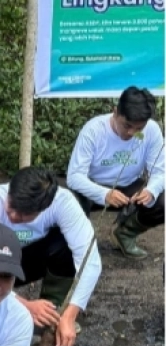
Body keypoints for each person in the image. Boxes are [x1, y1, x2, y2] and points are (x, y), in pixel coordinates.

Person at [0, 167, 102, 346]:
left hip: (28, 261)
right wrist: (25, 304)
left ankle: (51, 319)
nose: (14, 216)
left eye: (24, 214)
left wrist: (71, 314)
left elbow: (90, 261)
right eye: (12, 206)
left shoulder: (62, 202)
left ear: (44, 208)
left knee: (65, 246)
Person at [67, 86, 164, 259]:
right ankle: (79, 247)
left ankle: (125, 233)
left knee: (162, 200)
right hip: (93, 185)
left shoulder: (152, 130)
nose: (131, 133)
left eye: (138, 129)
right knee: (70, 204)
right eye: (127, 125)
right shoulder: (93, 130)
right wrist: (104, 194)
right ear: (115, 112)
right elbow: (74, 176)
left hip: (129, 186)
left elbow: (160, 171)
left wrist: (151, 190)